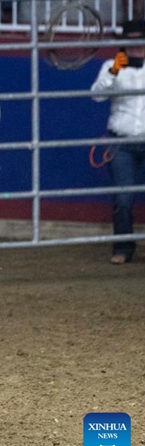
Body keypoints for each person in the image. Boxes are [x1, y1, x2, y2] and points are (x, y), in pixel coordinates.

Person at [90, 19, 145, 265]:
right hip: (121, 142)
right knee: (123, 199)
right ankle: (123, 248)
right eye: (130, 42)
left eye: (139, 41)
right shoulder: (111, 65)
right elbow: (97, 95)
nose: (135, 47)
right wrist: (114, 71)